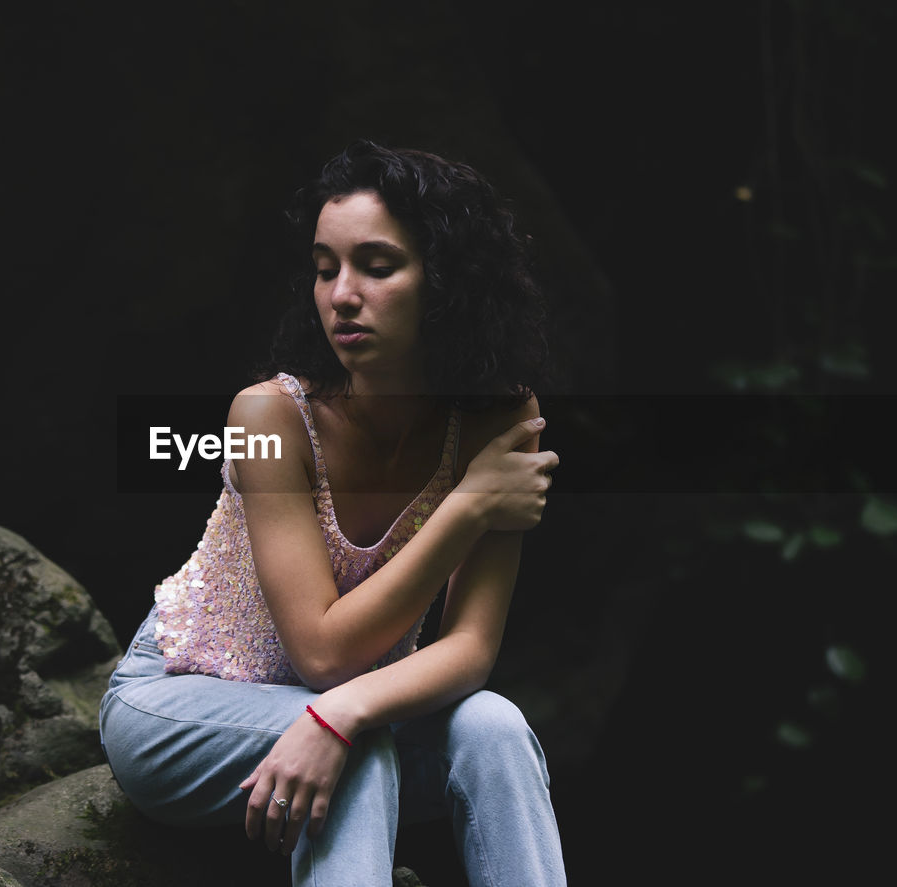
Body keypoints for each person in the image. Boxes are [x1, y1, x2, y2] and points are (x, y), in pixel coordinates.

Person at [100, 140, 566, 886]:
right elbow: (321, 654)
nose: (342, 295)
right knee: (358, 748)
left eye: (377, 267)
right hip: (180, 705)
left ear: (447, 282)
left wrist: (337, 712)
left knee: (495, 725)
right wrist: (471, 504)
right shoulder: (268, 415)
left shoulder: (495, 416)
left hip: (343, 709)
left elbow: (471, 649)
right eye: (325, 269)